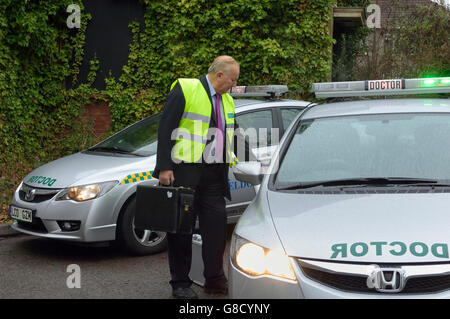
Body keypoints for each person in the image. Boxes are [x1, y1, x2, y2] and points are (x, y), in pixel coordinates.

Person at [152, 55, 253, 299]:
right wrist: (164, 167)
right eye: (232, 79)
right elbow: (166, 127)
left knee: (216, 229)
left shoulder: (227, 100)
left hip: (214, 174)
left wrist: (254, 164)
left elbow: (235, 133)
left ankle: (214, 279)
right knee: (181, 230)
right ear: (219, 75)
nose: (234, 84)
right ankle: (180, 284)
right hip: (184, 170)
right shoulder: (186, 88)